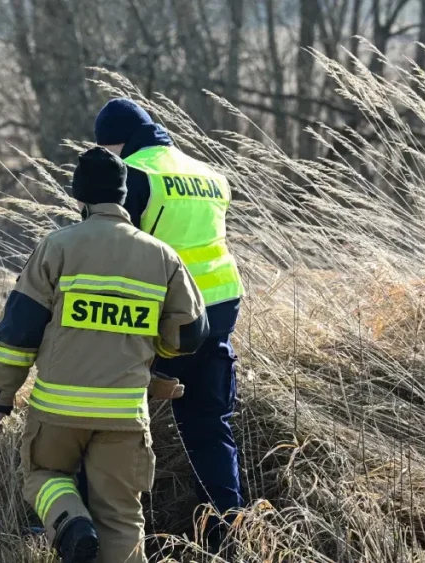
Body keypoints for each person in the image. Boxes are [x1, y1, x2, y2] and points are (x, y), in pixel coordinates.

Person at [0, 147, 210, 563]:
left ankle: (71, 523)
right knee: (121, 518)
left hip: (58, 410)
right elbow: (190, 333)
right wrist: (148, 346)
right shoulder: (162, 256)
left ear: (79, 198)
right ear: (123, 196)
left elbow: (18, 333)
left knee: (44, 475)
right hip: (124, 414)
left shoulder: (57, 248)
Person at [93, 98, 246, 550]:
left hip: (161, 321)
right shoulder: (209, 175)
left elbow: (113, 250)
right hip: (218, 315)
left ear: (114, 143)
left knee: (108, 421)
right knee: (210, 428)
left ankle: (111, 534)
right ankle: (227, 536)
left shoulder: (133, 175)